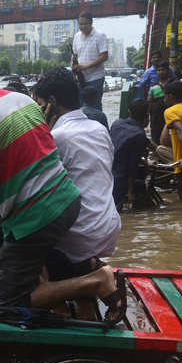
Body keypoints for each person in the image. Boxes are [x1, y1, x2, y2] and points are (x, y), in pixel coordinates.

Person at [0, 49, 125, 323]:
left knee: (9, 301)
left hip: (38, 218)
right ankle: (87, 270)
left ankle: (97, 281)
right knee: (24, 260)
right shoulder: (20, 99)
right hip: (67, 201)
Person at [33, 68, 120, 283]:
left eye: (41, 105)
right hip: (108, 226)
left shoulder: (57, 137)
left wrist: (41, 130)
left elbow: (33, 183)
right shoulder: (99, 129)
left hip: (81, 234)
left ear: (52, 102)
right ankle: (89, 266)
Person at [110, 99, 152, 211]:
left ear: (129, 112)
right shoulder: (139, 134)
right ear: (147, 116)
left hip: (106, 171)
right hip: (120, 178)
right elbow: (131, 166)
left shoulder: (117, 123)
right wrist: (129, 190)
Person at [71, 11, 108, 109]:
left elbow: (104, 56)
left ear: (91, 23)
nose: (82, 26)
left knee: (94, 106)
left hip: (95, 78)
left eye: (85, 24)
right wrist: (72, 65)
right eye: (80, 24)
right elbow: (74, 54)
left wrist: (84, 67)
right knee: (80, 105)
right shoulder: (77, 36)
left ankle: (98, 123)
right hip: (80, 78)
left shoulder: (100, 35)